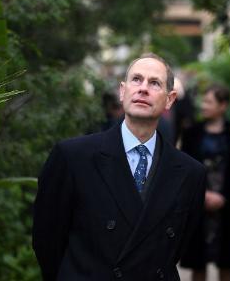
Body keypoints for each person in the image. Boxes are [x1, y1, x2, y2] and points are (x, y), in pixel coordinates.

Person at [32, 53, 206, 281]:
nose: (143, 88)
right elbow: (47, 239)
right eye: (136, 79)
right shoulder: (73, 157)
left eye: (154, 83)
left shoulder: (190, 172)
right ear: (122, 91)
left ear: (170, 99)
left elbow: (177, 248)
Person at [179, 85, 230, 281]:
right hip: (198, 204)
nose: (203, 106)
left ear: (223, 105)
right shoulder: (191, 132)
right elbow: (184, 167)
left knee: (226, 263)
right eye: (203, 101)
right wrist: (202, 194)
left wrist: (223, 196)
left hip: (228, 206)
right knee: (197, 263)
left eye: (209, 102)